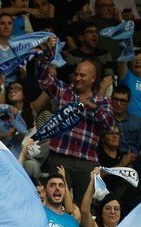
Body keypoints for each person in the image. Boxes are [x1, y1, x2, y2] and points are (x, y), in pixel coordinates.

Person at [35, 39, 115, 202]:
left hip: (88, 162)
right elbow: (43, 79)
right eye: (76, 74)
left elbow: (109, 125)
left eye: (82, 75)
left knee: (84, 208)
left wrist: (92, 107)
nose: (77, 78)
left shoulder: (102, 101)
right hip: (60, 157)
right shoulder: (63, 91)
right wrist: (47, 55)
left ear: (93, 78)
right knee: (54, 203)